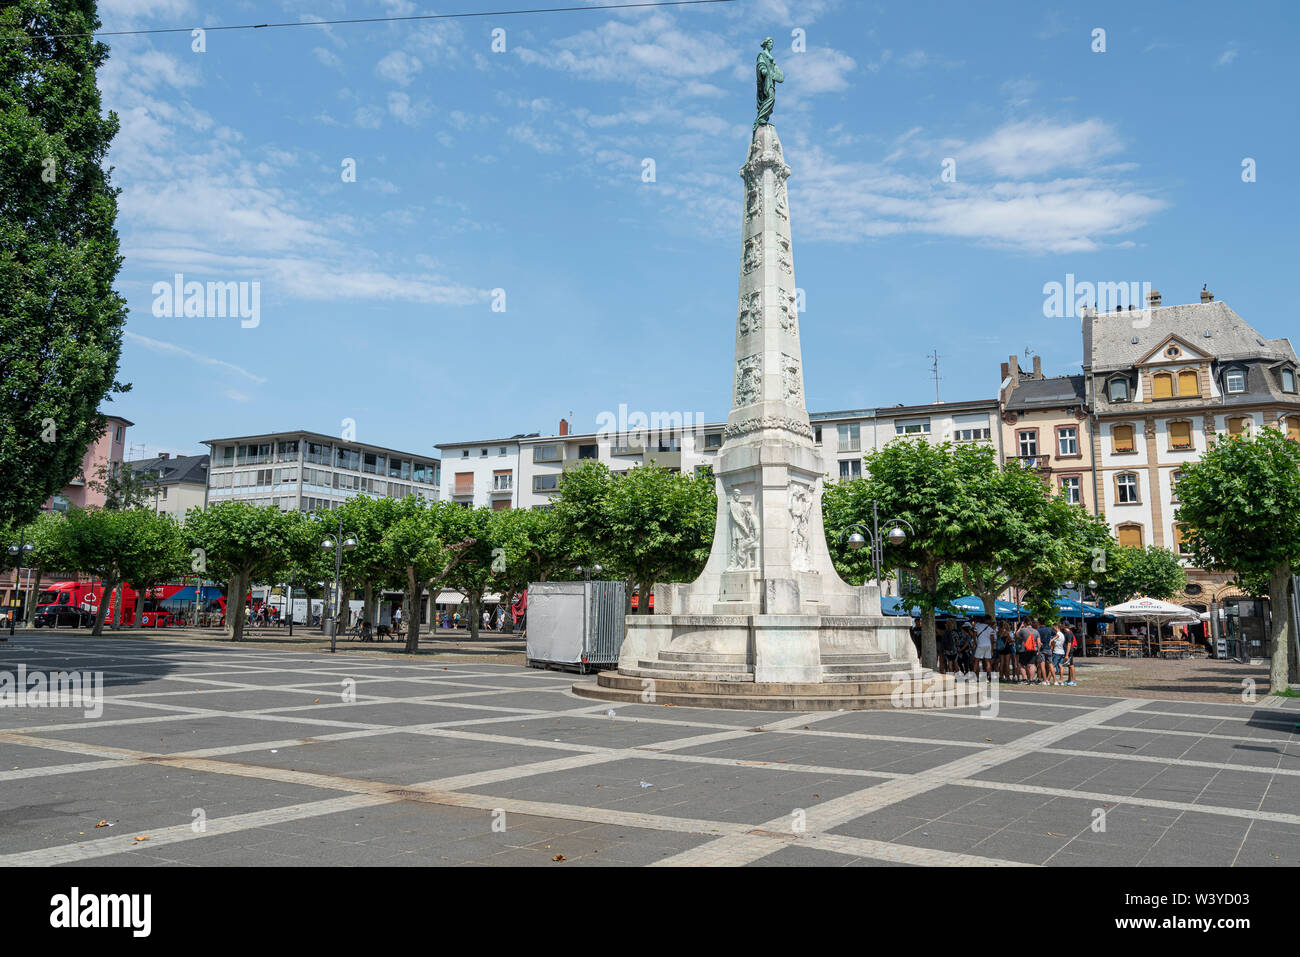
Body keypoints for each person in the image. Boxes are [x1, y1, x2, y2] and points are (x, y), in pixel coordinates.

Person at [972, 616, 995, 683]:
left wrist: (975, 643)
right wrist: (992, 650)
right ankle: (989, 676)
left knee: (976, 661)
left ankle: (974, 677)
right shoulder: (990, 628)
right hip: (988, 645)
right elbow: (992, 640)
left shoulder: (977, 626)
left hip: (980, 645)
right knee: (988, 662)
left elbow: (974, 634)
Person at [1016, 619, 1039, 683]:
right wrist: (1038, 651)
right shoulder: (1036, 631)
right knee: (1032, 665)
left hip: (1024, 650)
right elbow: (1038, 642)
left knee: (1021, 664)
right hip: (1034, 649)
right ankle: (1031, 680)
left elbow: (1016, 635)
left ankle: (1024, 679)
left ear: (1025, 623)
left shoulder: (1023, 630)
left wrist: (1020, 626)